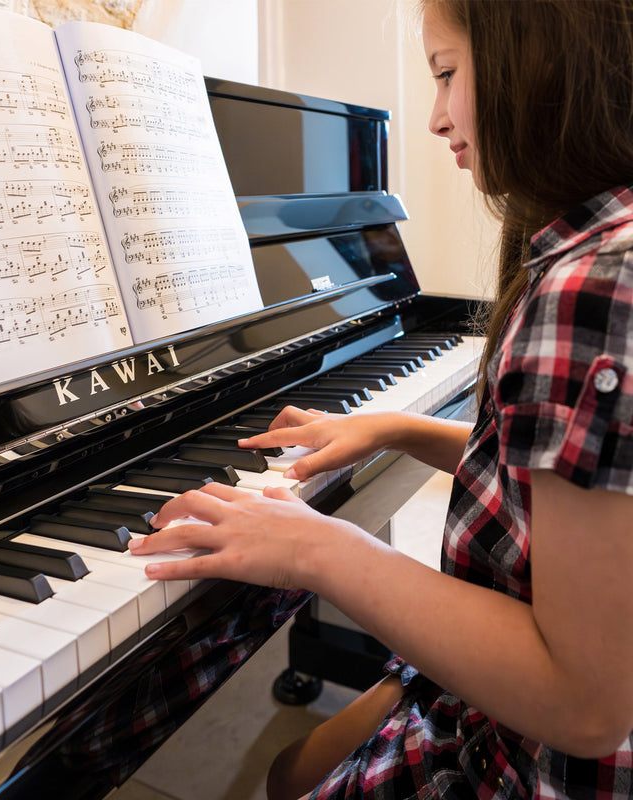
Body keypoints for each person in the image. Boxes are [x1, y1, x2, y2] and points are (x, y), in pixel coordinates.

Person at [128, 0, 633, 797]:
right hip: (545, 708)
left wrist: (319, 548)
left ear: (537, 60)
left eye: (446, 74)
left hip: (551, 761)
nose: (435, 118)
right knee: (286, 773)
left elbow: (586, 703)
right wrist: (396, 425)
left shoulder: (596, 285)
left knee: (280, 782)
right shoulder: (610, 244)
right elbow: (558, 476)